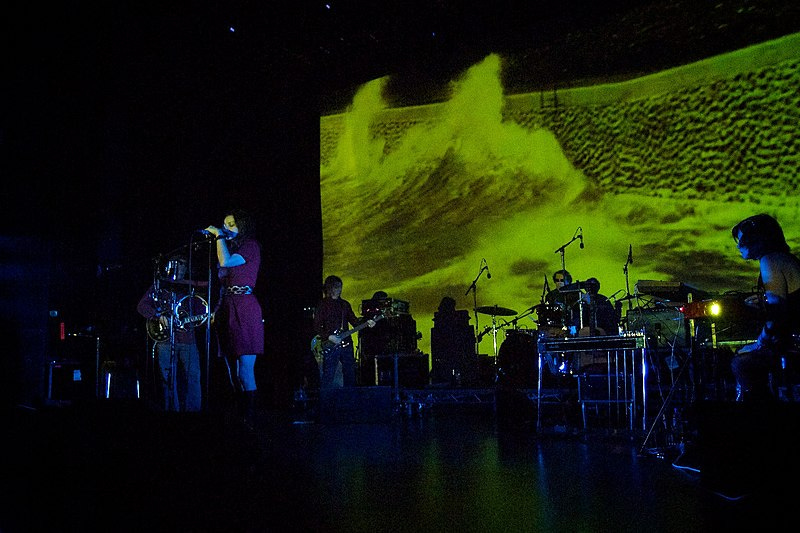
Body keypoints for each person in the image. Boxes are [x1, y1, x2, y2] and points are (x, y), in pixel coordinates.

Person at [203, 208, 264, 426]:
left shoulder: (250, 246)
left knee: (245, 369)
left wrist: (218, 235)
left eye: (231, 224)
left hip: (245, 309)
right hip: (228, 308)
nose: (227, 228)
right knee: (232, 369)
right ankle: (240, 414)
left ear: (243, 226)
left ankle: (250, 418)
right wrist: (217, 310)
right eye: (225, 224)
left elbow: (227, 263)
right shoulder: (231, 248)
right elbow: (223, 286)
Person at [731, 214, 800, 401]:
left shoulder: (769, 260)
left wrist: (759, 344)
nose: (738, 246)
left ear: (757, 238)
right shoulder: (782, 258)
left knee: (741, 363)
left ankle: (765, 421)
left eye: (742, 239)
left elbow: (778, 314)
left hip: (794, 345)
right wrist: (763, 302)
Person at [137, 254, 203, 412]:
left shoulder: (191, 287)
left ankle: (193, 414)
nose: (181, 267)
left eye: (183, 265)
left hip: (188, 339)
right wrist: (157, 316)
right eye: (177, 264)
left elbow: (201, 309)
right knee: (168, 379)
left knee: (193, 377)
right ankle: (171, 413)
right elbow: (142, 306)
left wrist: (207, 316)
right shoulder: (160, 285)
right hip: (165, 339)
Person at [313, 275, 375, 389]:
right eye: (336, 287)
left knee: (350, 375)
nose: (339, 290)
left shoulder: (344, 304)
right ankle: (327, 403)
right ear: (330, 288)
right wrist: (329, 336)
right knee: (328, 376)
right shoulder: (322, 305)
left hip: (346, 344)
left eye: (340, 287)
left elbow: (354, 321)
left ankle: (349, 401)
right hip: (331, 345)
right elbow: (316, 326)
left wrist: (367, 322)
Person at [543, 269, 581, 334]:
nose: (559, 283)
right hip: (556, 323)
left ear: (568, 281)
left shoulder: (576, 293)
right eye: (557, 280)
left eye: (562, 280)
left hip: (573, 323)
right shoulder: (550, 295)